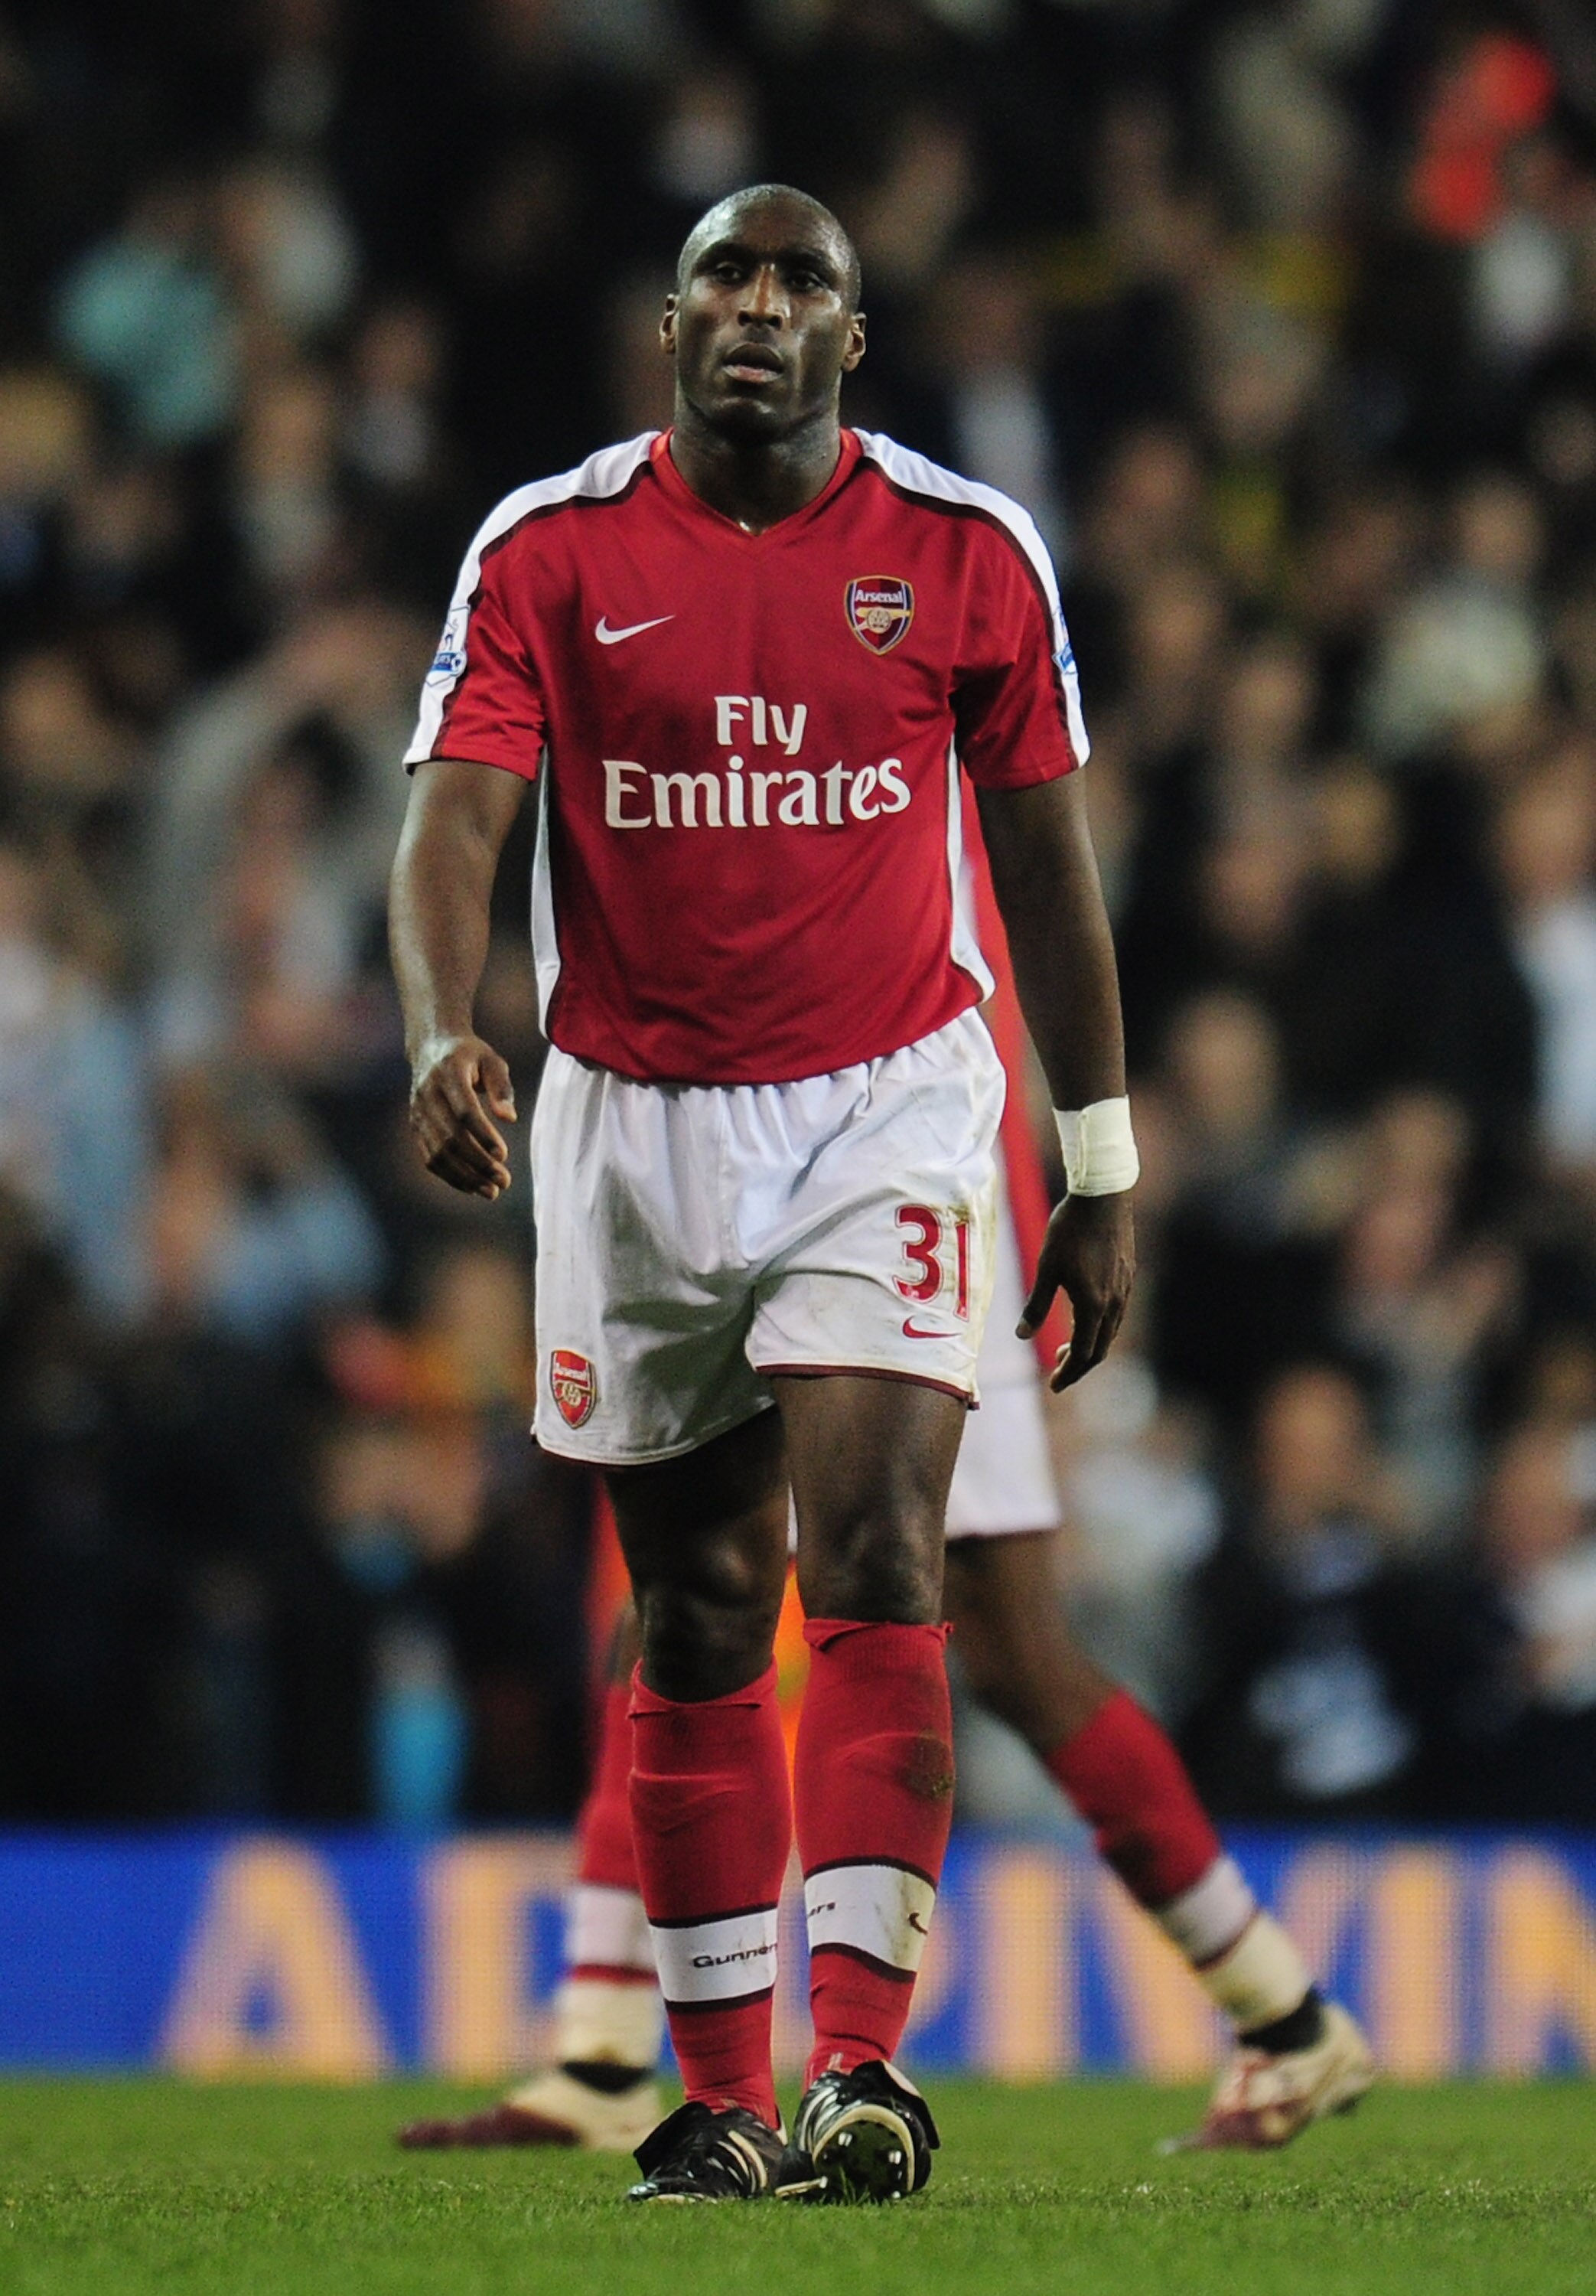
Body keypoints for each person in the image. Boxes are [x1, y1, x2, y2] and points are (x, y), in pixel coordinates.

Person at [388, 182, 1321, 2203]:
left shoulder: (967, 555)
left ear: (851, 341)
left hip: (889, 1102)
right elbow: (454, 813)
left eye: (800, 280)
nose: (758, 306)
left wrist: (1100, 1165)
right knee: (701, 1608)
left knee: (883, 1549)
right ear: (669, 325)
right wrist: (436, 1025)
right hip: (631, 1118)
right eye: (725, 273)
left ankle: (865, 2074)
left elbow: (1053, 878)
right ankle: (712, 2097)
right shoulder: (549, 550)